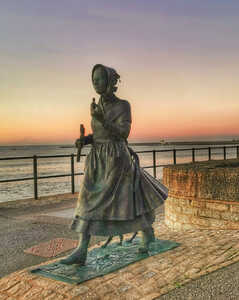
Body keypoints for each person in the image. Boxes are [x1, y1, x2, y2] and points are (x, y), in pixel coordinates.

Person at [60, 64, 168, 265]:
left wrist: (102, 120)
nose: (95, 83)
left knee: (128, 200)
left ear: (110, 81)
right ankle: (81, 248)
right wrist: (86, 140)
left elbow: (123, 133)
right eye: (93, 80)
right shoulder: (97, 105)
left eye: (99, 79)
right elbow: (100, 134)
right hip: (97, 161)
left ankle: (147, 233)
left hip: (117, 159)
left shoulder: (123, 106)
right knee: (87, 201)